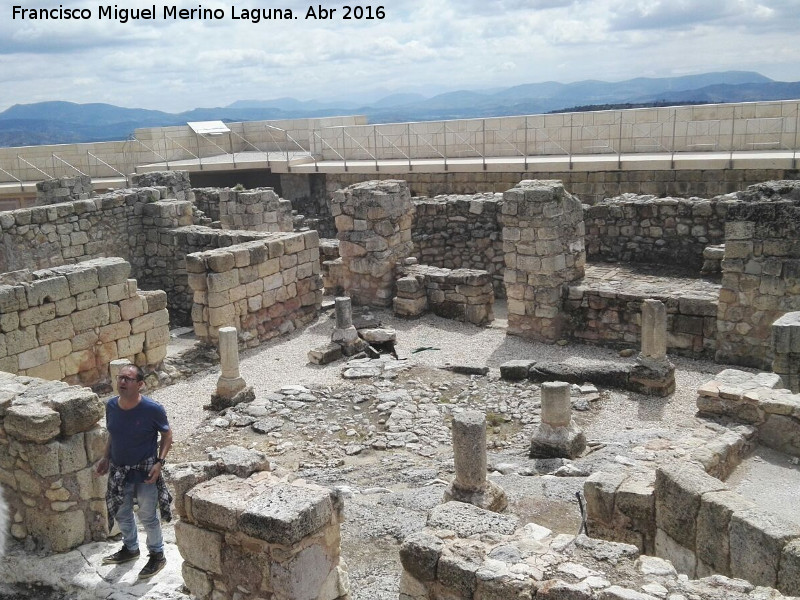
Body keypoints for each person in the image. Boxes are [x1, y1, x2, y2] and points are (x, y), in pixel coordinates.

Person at [95, 364, 173, 580]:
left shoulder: (153, 409)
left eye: (128, 379)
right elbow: (113, 434)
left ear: (140, 384)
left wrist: (160, 463)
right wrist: (106, 457)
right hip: (119, 470)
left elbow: (167, 436)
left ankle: (157, 555)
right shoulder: (111, 406)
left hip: (145, 471)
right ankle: (130, 548)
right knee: (122, 512)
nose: (122, 382)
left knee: (148, 516)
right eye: (120, 378)